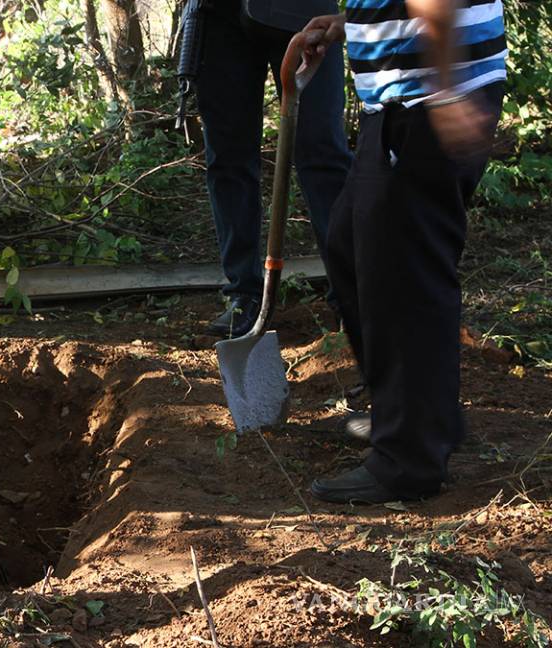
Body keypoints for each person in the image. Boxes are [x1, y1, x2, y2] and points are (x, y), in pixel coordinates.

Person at [300, 0, 506, 503]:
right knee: (350, 245)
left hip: (427, 100)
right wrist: (354, 23)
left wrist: (441, 87)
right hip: (407, 102)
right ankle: (419, 418)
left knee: (403, 280)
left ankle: (408, 460)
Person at [196, 0, 353, 337]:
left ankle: (352, 296)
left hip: (304, 11)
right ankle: (244, 295)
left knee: (322, 152)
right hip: (217, 17)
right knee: (228, 157)